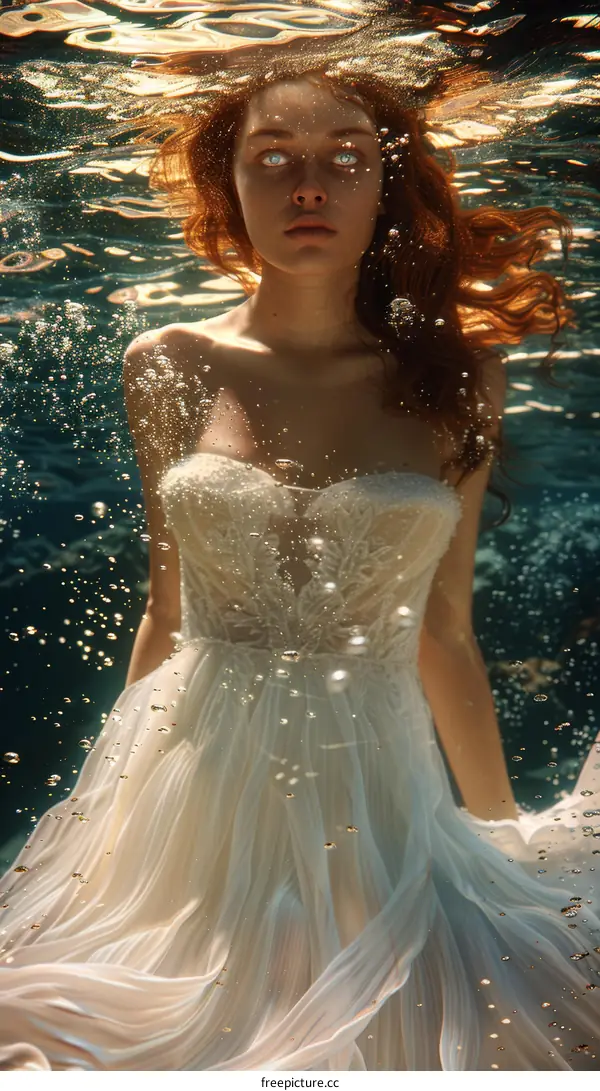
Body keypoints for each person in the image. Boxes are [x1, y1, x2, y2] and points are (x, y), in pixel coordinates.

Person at [0, 9, 599, 1073]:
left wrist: (502, 829)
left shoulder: (461, 375)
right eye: (273, 157)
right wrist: (100, 820)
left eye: (344, 158)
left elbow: (445, 631)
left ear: (385, 187)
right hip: (187, 800)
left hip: (377, 802)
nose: (309, 185)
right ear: (229, 185)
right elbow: (167, 609)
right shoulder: (166, 360)